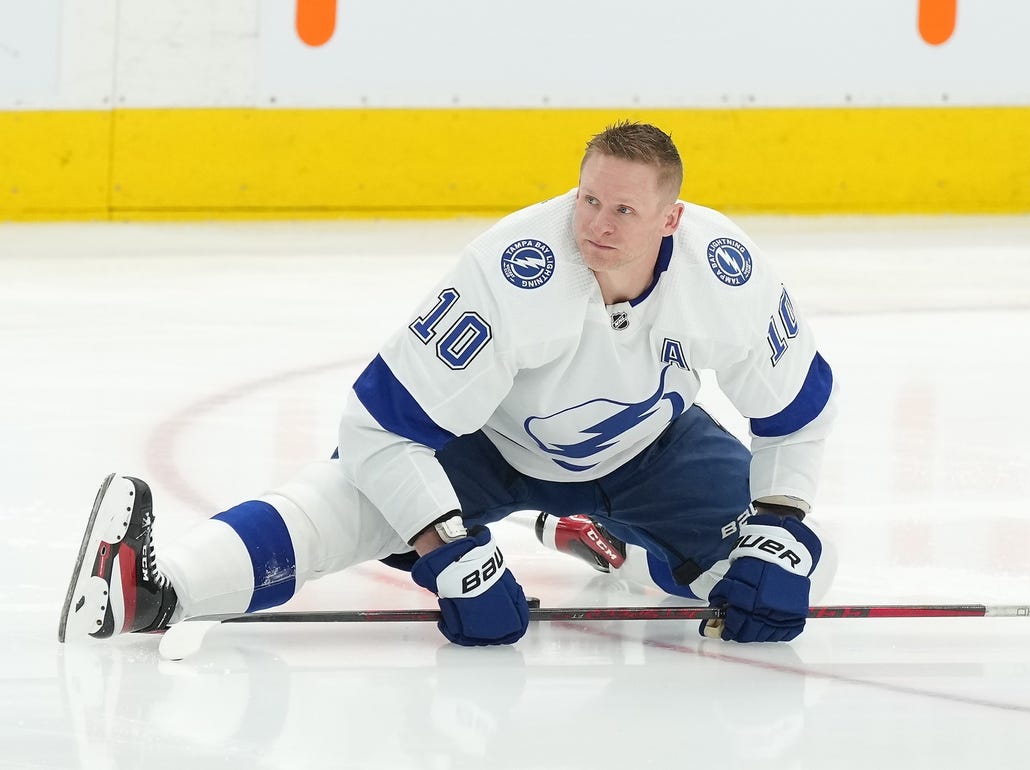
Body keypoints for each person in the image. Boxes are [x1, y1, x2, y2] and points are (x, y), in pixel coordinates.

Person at [59, 121, 836, 647]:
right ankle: (155, 592)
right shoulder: (512, 272)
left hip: (657, 450)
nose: (597, 223)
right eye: (588, 199)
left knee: (809, 567)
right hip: (487, 444)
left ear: (672, 221)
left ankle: (613, 549)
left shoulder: (723, 273)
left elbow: (797, 411)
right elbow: (376, 429)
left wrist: (782, 522)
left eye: (625, 209)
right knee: (350, 508)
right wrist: (446, 547)